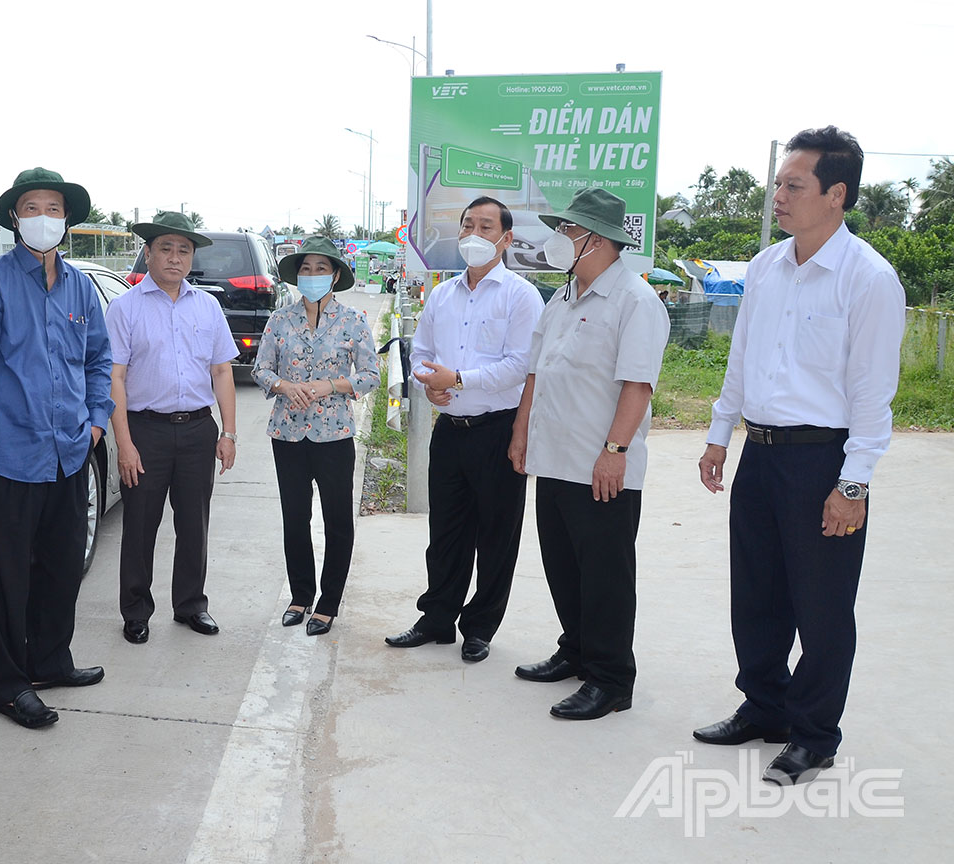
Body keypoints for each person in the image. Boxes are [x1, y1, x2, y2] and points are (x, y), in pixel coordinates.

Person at [692, 127, 905, 785]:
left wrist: (854, 485)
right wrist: (719, 433)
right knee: (756, 593)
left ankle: (814, 735)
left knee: (821, 605)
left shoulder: (868, 279)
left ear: (836, 195)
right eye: (778, 184)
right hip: (762, 451)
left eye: (793, 185)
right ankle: (765, 707)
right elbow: (744, 359)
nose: (779, 196)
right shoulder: (765, 266)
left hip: (824, 460)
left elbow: (873, 396)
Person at [0, 167, 112, 729]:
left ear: (66, 219)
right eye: (31, 208)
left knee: (63, 565)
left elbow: (98, 360)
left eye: (53, 207)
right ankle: (9, 685)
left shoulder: (79, 287)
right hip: (12, 458)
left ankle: (51, 660)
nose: (43, 217)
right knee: (8, 579)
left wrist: (97, 420)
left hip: (70, 451)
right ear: (15, 218)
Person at [507, 187, 670, 721]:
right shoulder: (563, 297)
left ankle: (610, 678)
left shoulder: (635, 301)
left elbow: (637, 386)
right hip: (554, 459)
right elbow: (536, 373)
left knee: (605, 576)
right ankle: (575, 650)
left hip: (600, 465)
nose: (559, 240)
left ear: (594, 239)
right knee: (564, 566)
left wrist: (615, 451)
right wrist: (521, 433)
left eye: (567, 231)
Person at [385, 197, 544, 663]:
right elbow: (422, 352)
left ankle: (480, 627)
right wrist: (429, 385)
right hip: (450, 430)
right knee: (447, 532)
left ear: (506, 238)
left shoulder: (520, 295)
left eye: (485, 226)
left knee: (497, 534)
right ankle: (437, 619)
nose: (474, 234)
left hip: (498, 430)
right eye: (467, 225)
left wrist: (457, 380)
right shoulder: (442, 294)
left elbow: (520, 366)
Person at [107, 211, 238, 644]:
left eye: (184, 250)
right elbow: (116, 378)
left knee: (194, 524)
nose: (175, 258)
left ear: (192, 257)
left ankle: (190, 606)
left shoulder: (208, 306)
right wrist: (124, 444)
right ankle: (136, 611)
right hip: (146, 431)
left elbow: (221, 371)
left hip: (199, 430)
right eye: (165, 248)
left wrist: (228, 432)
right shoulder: (125, 307)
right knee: (141, 526)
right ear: (148, 253)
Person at [252, 236, 380, 636]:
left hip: (334, 435)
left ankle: (328, 603)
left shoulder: (353, 320)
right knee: (295, 518)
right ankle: (300, 596)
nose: (311, 276)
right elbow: (260, 370)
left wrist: (331, 385)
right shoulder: (280, 320)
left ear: (336, 275)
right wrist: (283, 386)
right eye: (305, 269)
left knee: (338, 520)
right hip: (287, 435)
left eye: (320, 269)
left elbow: (370, 375)